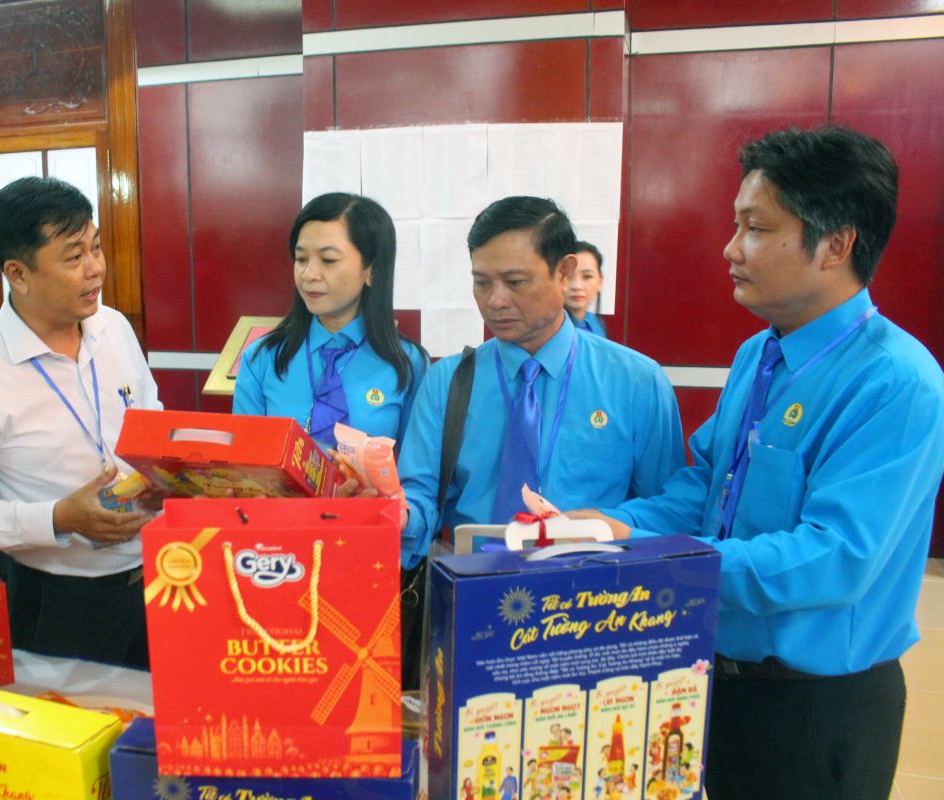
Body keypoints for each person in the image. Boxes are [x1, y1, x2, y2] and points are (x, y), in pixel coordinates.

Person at [575, 126, 944, 799]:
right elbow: (704, 488)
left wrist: (660, 568)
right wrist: (606, 529)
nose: (729, 248)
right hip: (720, 682)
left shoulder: (894, 383)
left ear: (834, 244)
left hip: (816, 708)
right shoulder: (758, 356)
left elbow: (834, 557)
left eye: (754, 227)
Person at [0, 176, 162, 667]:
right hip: (56, 602)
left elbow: (151, 423)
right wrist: (57, 518)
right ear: (18, 272)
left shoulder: (113, 328)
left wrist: (166, 476)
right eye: (74, 257)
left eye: (95, 248)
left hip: (157, 577)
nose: (95, 269)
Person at [396, 196, 684, 571]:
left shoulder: (635, 381)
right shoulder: (448, 382)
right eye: (482, 282)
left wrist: (601, 525)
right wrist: (398, 516)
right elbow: (420, 497)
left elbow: (669, 506)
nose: (496, 300)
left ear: (564, 272)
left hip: (595, 596)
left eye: (515, 282)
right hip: (472, 590)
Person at [233, 192, 427, 448]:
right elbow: (246, 462)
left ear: (372, 270)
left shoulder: (407, 363)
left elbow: (416, 473)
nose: (309, 274)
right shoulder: (262, 358)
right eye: (301, 259)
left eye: (328, 260)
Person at [564, 240, 607, 337]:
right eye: (569, 276)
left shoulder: (597, 324)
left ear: (600, 281)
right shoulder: (546, 331)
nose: (577, 286)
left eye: (587, 276)